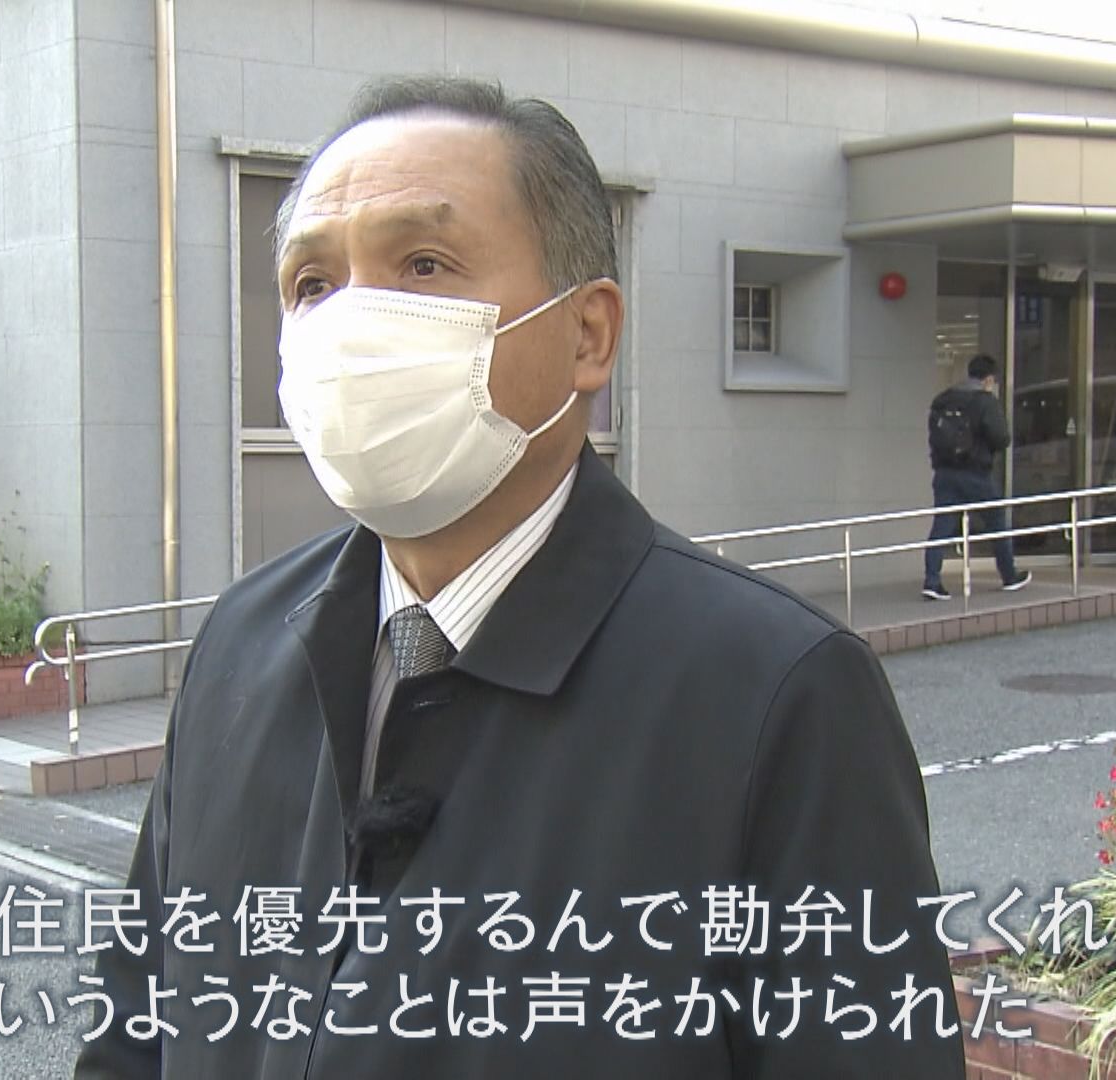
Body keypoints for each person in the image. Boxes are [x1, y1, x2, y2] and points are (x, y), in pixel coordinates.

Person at [73, 76, 963, 1079]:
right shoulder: (242, 641)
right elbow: (134, 1030)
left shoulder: (776, 695)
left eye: (423, 263)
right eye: (313, 284)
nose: (352, 323)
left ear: (588, 334)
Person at [922, 354, 1031, 600]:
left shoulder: (944, 399)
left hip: (945, 472)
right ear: (989, 379)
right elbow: (1001, 438)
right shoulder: (985, 402)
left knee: (942, 525)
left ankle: (932, 580)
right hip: (976, 473)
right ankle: (1009, 575)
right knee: (996, 521)